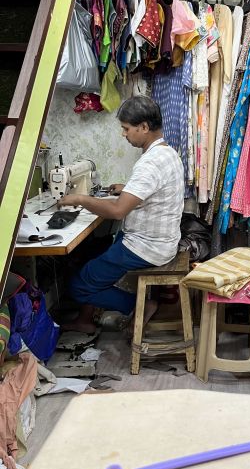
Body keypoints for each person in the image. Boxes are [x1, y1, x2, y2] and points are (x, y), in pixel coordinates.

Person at [58, 95, 184, 333]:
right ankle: (85, 320)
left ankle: (139, 306)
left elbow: (117, 211)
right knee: (94, 249)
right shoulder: (167, 153)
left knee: (78, 286)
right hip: (161, 240)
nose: (124, 134)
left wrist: (79, 199)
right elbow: (156, 190)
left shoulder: (149, 163)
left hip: (147, 246)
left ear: (144, 127)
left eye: (126, 129)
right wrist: (127, 189)